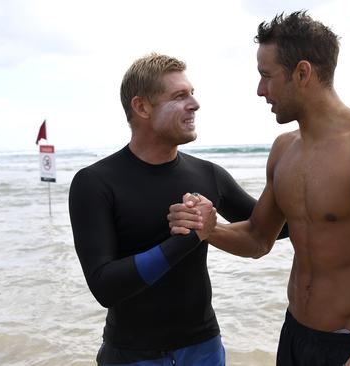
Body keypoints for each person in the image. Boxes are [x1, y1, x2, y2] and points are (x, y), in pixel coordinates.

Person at [168, 11, 350, 366]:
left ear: (302, 73)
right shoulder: (283, 150)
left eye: (266, 76)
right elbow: (260, 238)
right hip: (294, 338)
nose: (260, 90)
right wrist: (209, 229)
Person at [68, 53, 284, 366]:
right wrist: (189, 238)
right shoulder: (96, 182)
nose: (195, 104)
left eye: (192, 94)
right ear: (141, 107)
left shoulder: (209, 175)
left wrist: (298, 174)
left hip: (204, 348)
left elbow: (275, 229)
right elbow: (105, 286)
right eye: (180, 96)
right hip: (132, 355)